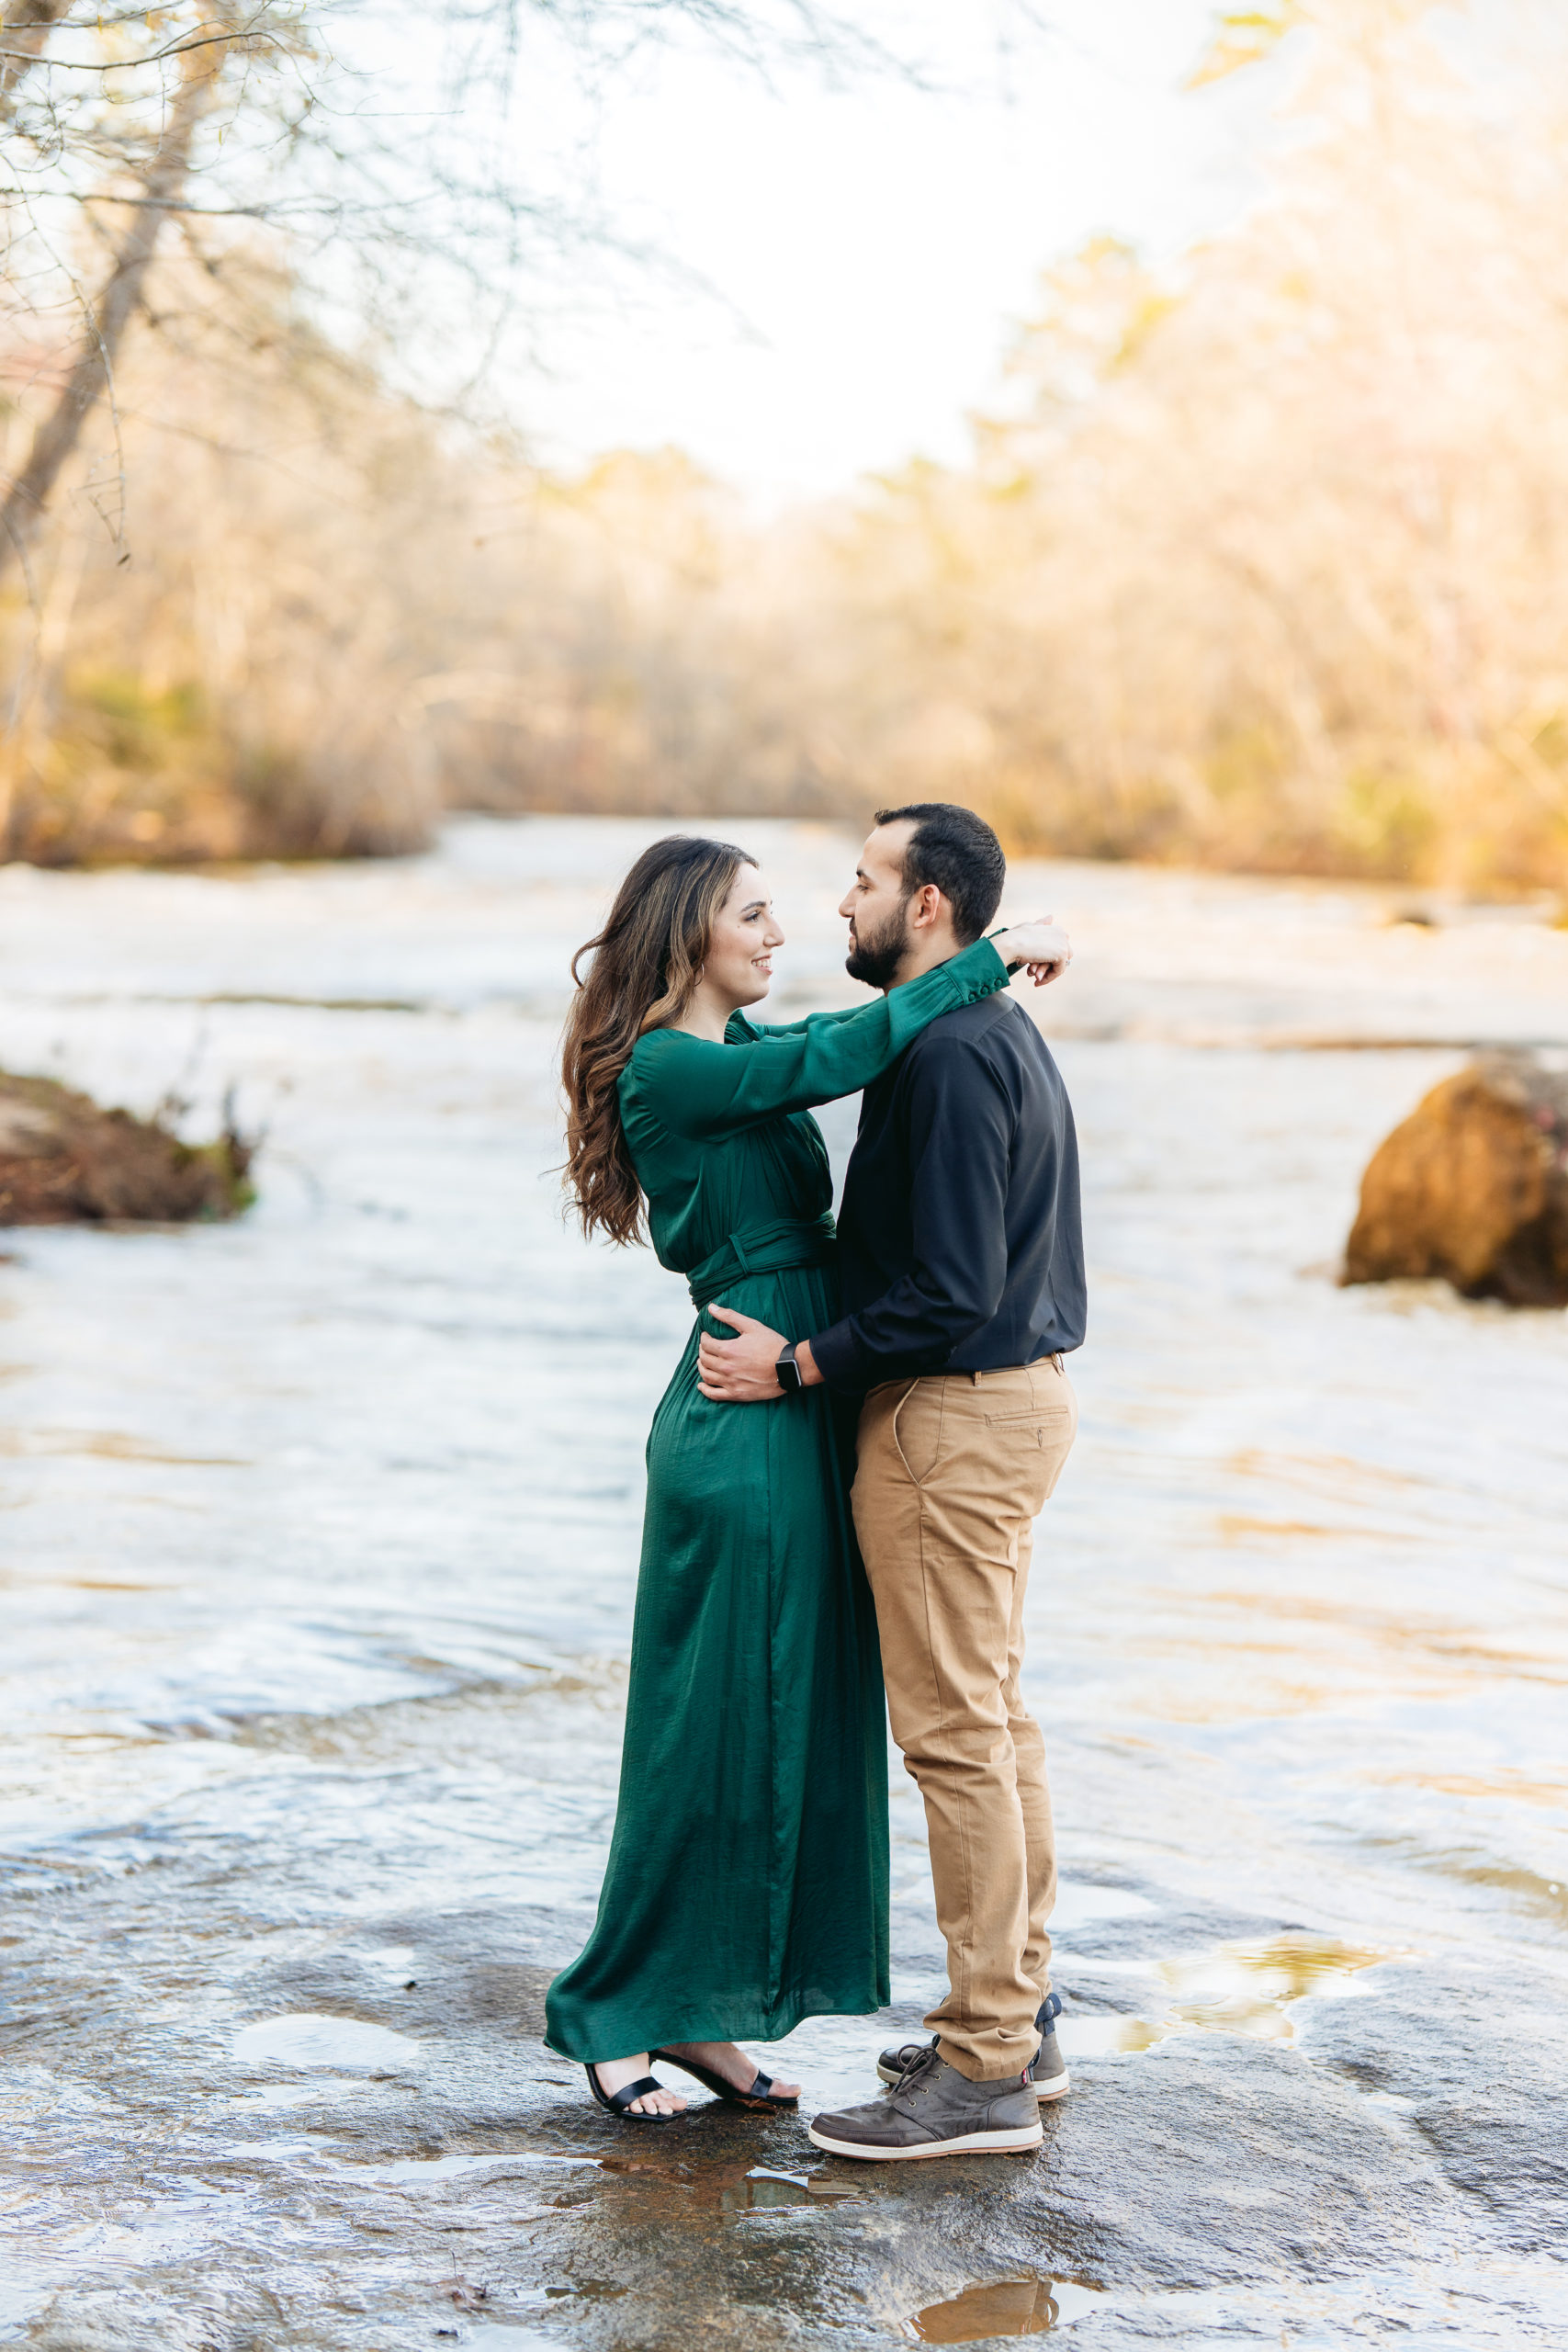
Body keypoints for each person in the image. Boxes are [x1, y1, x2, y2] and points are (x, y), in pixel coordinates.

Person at [545, 831, 1070, 2121]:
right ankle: (620, 2013)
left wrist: (960, 990)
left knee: (779, 1730)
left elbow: (836, 1037)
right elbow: (844, 1053)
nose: (784, 931)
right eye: (755, 913)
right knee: (699, 1725)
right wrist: (982, 966)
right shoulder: (669, 1068)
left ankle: (712, 2012)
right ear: (687, 937)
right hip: (745, 1404)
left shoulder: (729, 1058)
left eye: (794, 908)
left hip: (802, 1395)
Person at [697, 804, 1086, 2160]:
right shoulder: (993, 1037)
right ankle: (1015, 2026)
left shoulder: (948, 1055)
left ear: (927, 905)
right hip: (1011, 1408)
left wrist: (802, 1364)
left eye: (862, 883)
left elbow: (952, 1289)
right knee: (996, 1719)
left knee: (957, 1740)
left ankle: (982, 2066)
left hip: (950, 1423)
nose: (841, 905)